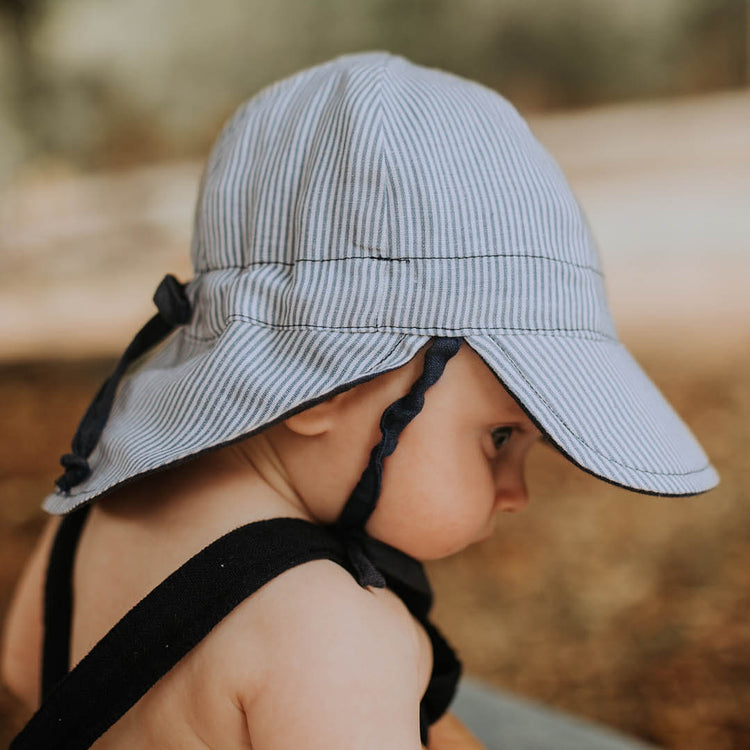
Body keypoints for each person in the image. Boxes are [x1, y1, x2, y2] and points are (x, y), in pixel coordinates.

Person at [1, 50, 718, 749]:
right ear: (323, 384)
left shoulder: (103, 486)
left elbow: (22, 671)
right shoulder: (332, 633)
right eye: (501, 437)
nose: (518, 493)